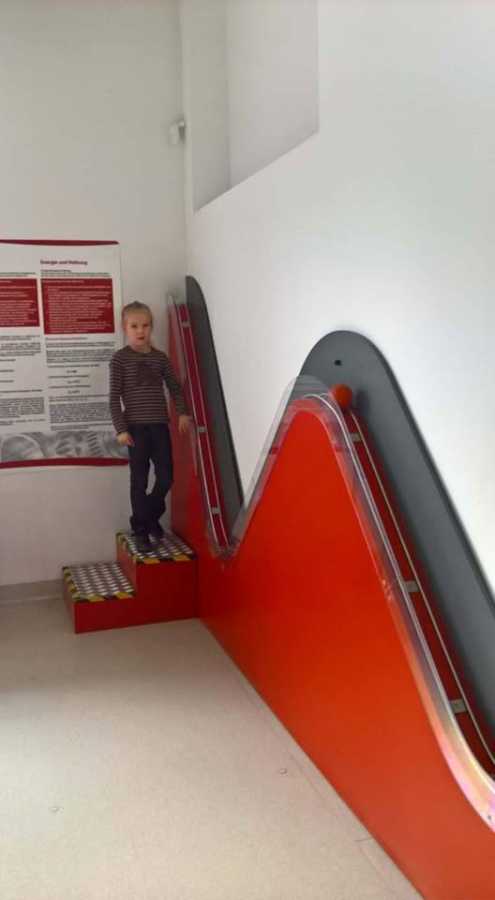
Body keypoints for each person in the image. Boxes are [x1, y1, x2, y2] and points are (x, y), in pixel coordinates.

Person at [109, 301, 190, 552]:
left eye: (145, 325)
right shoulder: (120, 359)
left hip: (159, 427)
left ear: (151, 327)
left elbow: (175, 387)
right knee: (139, 481)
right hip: (135, 430)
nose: (140, 330)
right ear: (125, 328)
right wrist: (121, 429)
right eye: (134, 326)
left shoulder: (159, 358)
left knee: (166, 478)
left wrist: (183, 412)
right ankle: (142, 531)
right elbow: (114, 398)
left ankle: (145, 518)